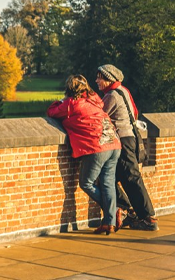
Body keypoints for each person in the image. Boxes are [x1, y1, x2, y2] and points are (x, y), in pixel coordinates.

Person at [47, 74, 123, 235]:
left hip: (97, 147)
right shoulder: (96, 101)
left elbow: (52, 112)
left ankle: (113, 211)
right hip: (114, 143)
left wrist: (60, 101)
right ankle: (109, 222)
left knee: (86, 182)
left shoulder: (71, 104)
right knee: (107, 183)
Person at [96, 64, 158, 231]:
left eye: (99, 78)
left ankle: (148, 218)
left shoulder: (111, 96)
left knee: (131, 178)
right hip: (130, 138)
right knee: (109, 178)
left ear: (108, 78)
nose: (96, 81)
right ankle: (126, 209)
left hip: (122, 141)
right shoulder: (123, 91)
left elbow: (98, 117)